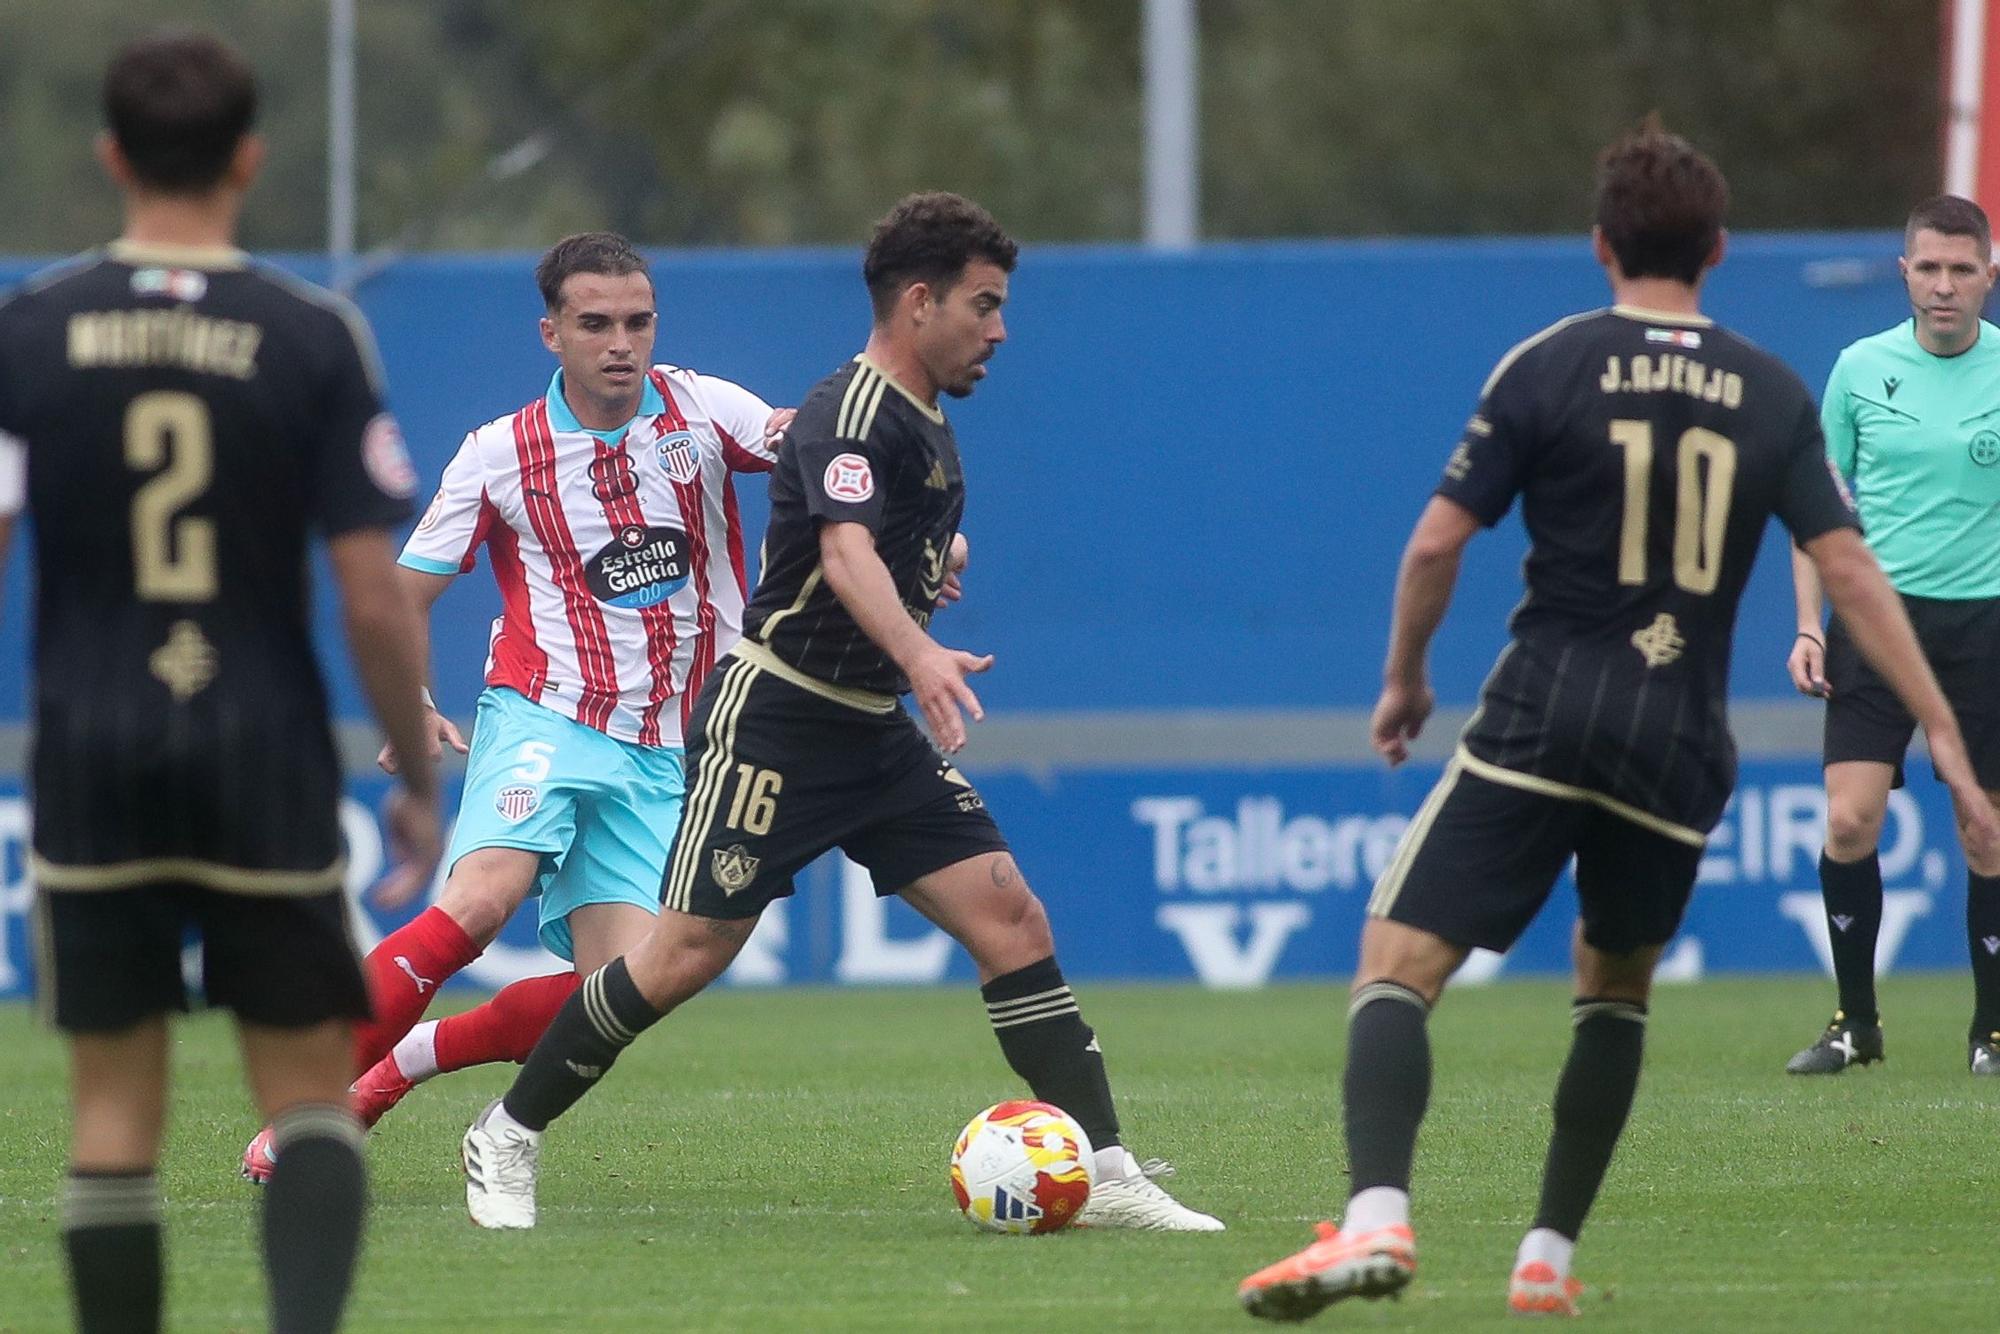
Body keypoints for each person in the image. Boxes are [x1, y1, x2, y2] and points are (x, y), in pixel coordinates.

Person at [1236, 124, 2000, 1322]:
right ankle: (1543, 1254)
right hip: (1677, 743)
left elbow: (1438, 539)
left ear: (1600, 245)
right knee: (1614, 992)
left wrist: (1403, 680)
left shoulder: (1547, 363)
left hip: (1545, 713)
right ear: (1716, 249)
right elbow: (1849, 568)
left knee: (1395, 963)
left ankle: (1377, 1217)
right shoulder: (1768, 387)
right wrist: (1937, 726)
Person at [457, 191, 1223, 1234]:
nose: (998, 328)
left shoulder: (922, 417)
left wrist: (919, 620)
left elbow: (882, 559)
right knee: (680, 955)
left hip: (865, 725)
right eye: (983, 304)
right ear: (919, 302)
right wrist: (918, 651)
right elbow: (840, 550)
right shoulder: (847, 412)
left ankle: (1104, 1165)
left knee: (1010, 915)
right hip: (775, 721)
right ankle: (505, 1132)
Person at [0, 31, 442, 1334]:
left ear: (111, 157)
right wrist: (416, 780)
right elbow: (373, 592)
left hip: (90, 750)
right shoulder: (310, 333)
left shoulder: (27, 329)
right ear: (249, 160)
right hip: (262, 750)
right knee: (308, 1097)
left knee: (113, 1116)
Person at [241, 232, 795, 1181]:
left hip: (673, 746)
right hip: (545, 714)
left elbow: (805, 448)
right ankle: (313, 1114)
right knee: (481, 900)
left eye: (637, 321)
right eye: (595, 324)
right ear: (551, 333)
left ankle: (397, 1071)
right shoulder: (500, 454)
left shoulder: (705, 410)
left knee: (621, 990)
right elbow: (403, 594)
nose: (621, 342)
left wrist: (907, 529)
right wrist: (410, 702)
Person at [1782, 196, 2000, 1077]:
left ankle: (1991, 1030)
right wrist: (1806, 624)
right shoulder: (1859, 370)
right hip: (1875, 622)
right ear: (1905, 271)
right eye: (1929, 268)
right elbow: (1816, 513)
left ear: (1989, 273)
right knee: (1849, 818)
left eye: (1962, 269)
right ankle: (1854, 1024)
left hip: (1987, 624)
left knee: (1983, 833)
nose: (1944, 286)